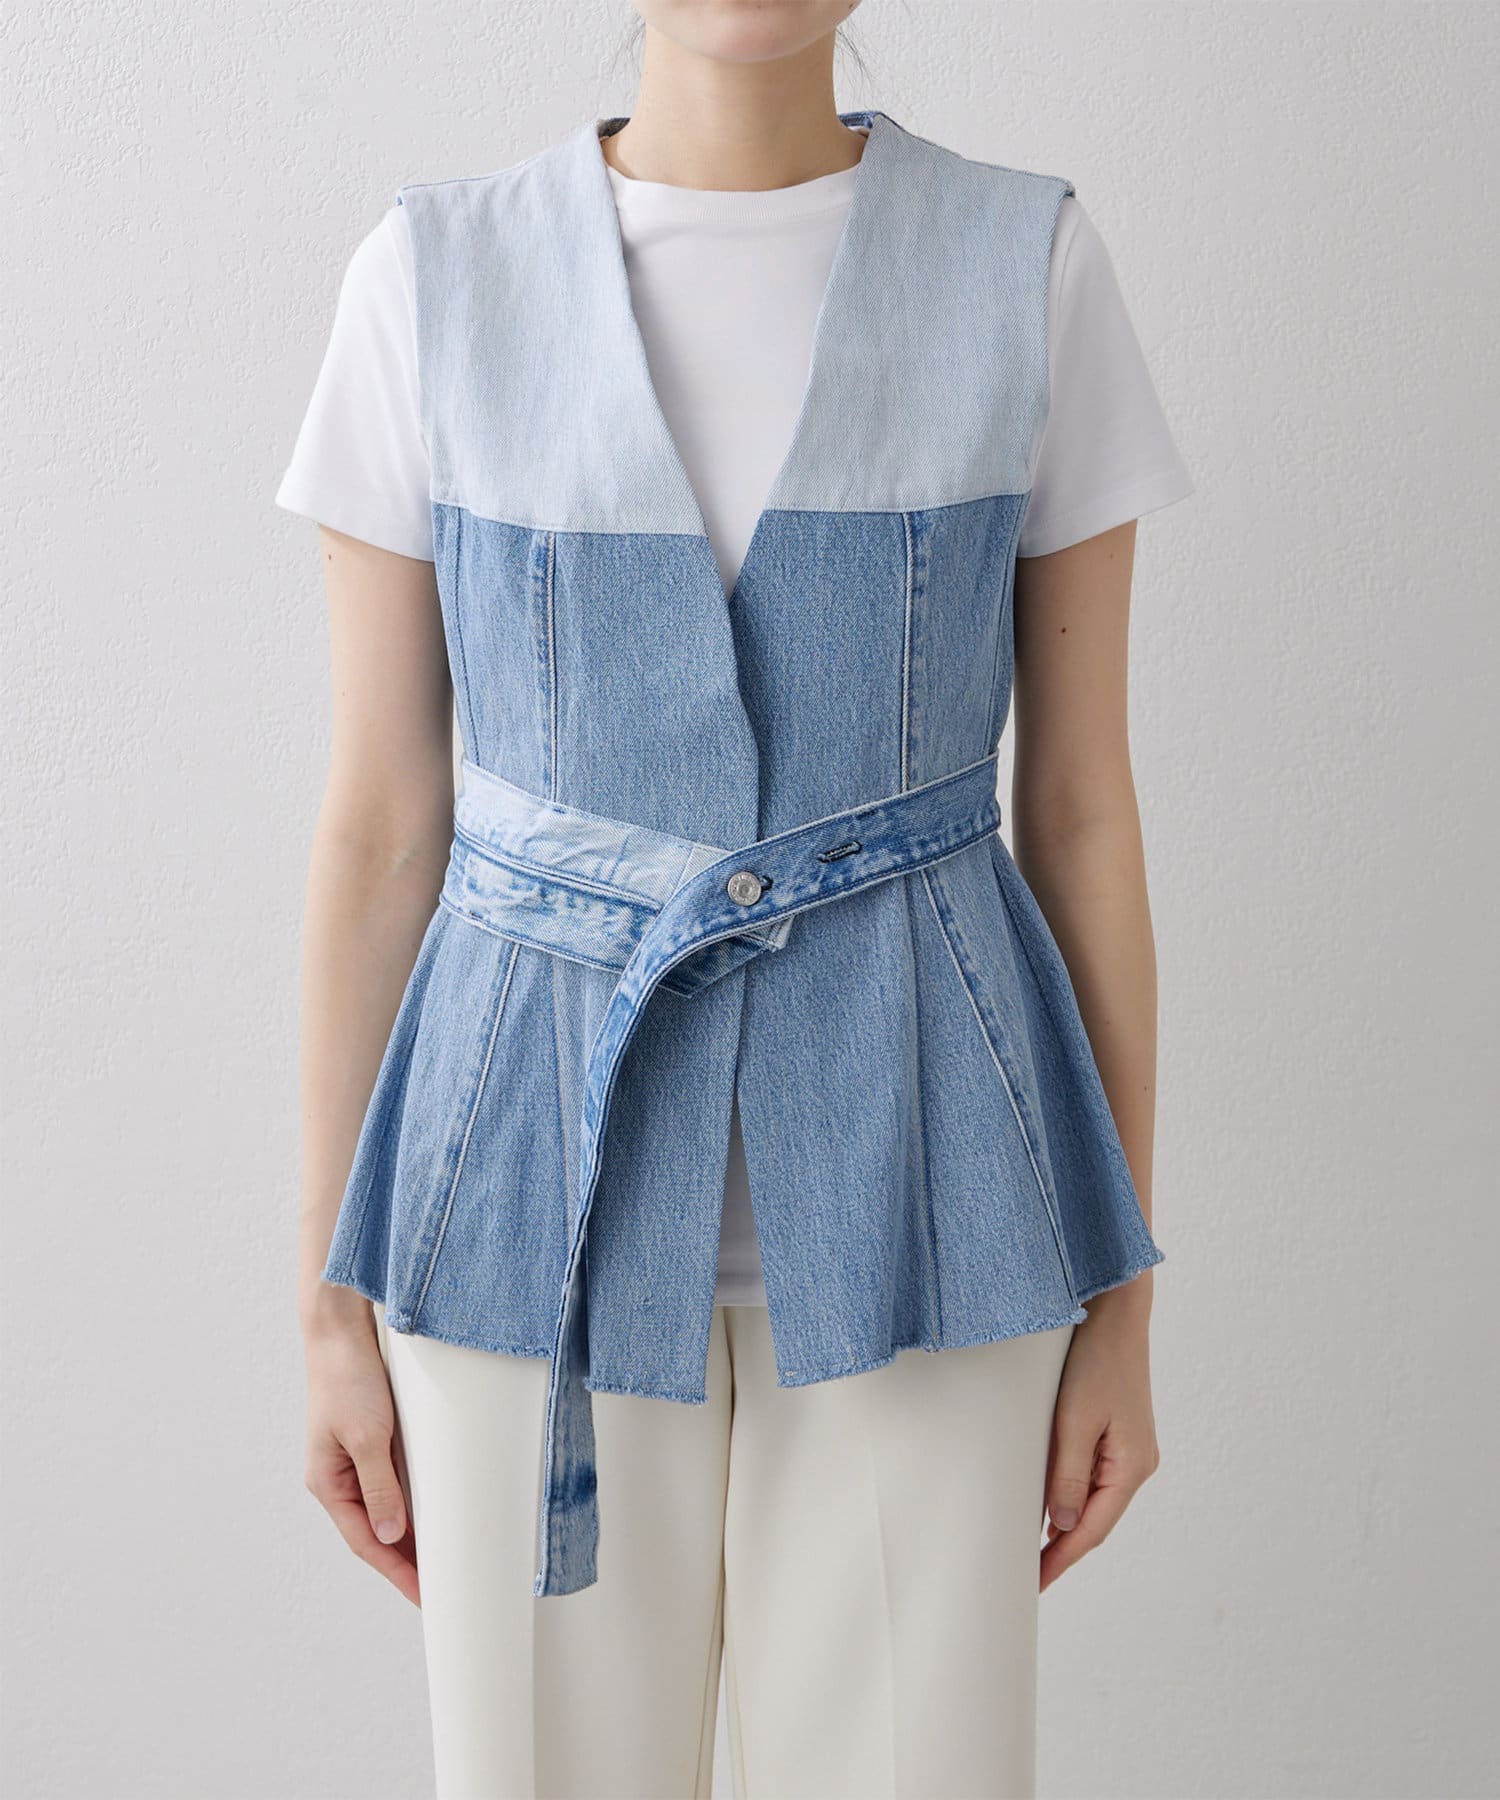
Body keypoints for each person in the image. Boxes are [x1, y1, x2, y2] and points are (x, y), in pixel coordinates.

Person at [277, 4, 1193, 1795]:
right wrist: (325, 1307)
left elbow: (1081, 812)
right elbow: (381, 827)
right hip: (513, 1197)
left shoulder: (1028, 263)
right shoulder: (431, 280)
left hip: (940, 1204)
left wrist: (1126, 1301)